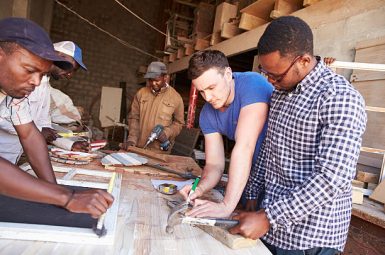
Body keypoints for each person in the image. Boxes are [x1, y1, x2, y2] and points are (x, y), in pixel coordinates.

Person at [229, 16, 367, 254]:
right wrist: (251, 196)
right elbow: (269, 152)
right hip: (272, 227)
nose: (271, 81)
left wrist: (268, 217)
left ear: (303, 60)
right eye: (266, 74)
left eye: (277, 76)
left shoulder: (339, 98)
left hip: (310, 238)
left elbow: (332, 177)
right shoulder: (281, 94)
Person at [0, 17, 113, 218]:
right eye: (29, 70)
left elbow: (29, 136)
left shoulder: (14, 95)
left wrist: (53, 192)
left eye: (42, 74)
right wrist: (65, 197)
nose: (36, 82)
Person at [180, 50, 273, 218]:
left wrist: (226, 206)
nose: (208, 97)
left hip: (278, 180)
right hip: (250, 180)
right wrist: (199, 188)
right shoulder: (207, 114)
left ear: (228, 74)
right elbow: (214, 164)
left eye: (211, 87)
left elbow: (244, 148)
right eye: (201, 91)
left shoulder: (253, 85)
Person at [0, 41, 88, 164]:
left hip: (12, 157)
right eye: (70, 68)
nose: (69, 74)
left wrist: (70, 145)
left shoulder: (45, 85)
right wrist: (37, 131)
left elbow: (45, 127)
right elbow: (5, 118)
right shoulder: (20, 82)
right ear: (59, 56)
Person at [124, 61, 185, 153]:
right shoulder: (141, 93)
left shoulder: (176, 98)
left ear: (165, 78)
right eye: (150, 80)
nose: (153, 83)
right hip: (138, 147)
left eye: (157, 80)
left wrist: (167, 133)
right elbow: (134, 117)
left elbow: (179, 123)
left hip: (159, 152)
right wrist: (132, 139)